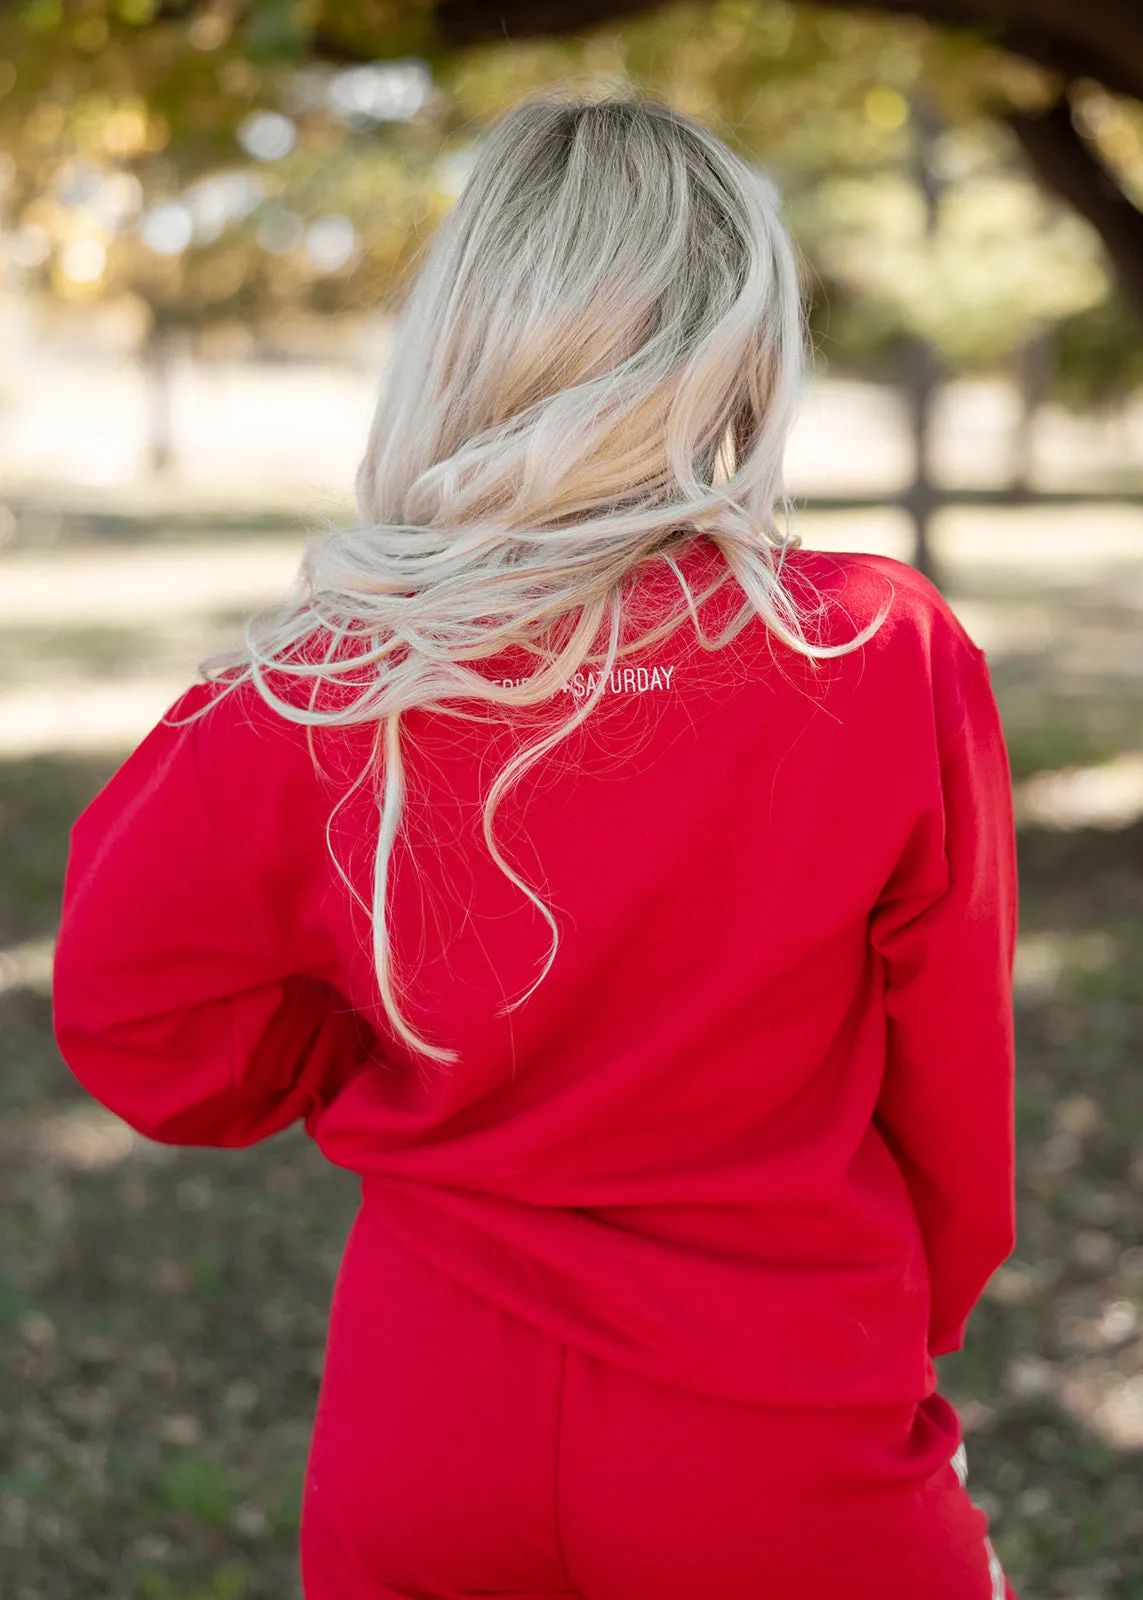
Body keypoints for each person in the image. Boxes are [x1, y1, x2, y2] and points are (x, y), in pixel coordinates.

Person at [52, 94, 1018, 1600]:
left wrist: (367, 1054)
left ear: (463, 337)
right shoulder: (874, 649)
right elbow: (951, 1095)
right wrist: (914, 1345)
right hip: (774, 1415)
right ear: (744, 346)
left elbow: (143, 1025)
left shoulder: (332, 684)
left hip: (427, 1411)